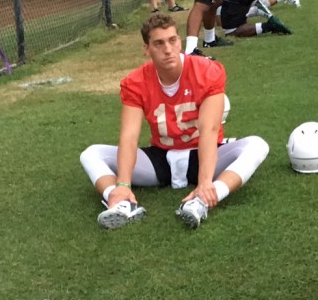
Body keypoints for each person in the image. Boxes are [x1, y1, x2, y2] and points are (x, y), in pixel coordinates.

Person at [80, 13, 269, 230]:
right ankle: (121, 202)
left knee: (257, 145)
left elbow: (209, 130)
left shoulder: (206, 71)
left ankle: (203, 200)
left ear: (179, 41)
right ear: (146, 48)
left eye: (172, 40)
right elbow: (129, 136)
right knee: (91, 154)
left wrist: (205, 182)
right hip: (161, 158)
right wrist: (122, 183)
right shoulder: (135, 82)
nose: (168, 49)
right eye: (158, 43)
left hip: (201, 153)